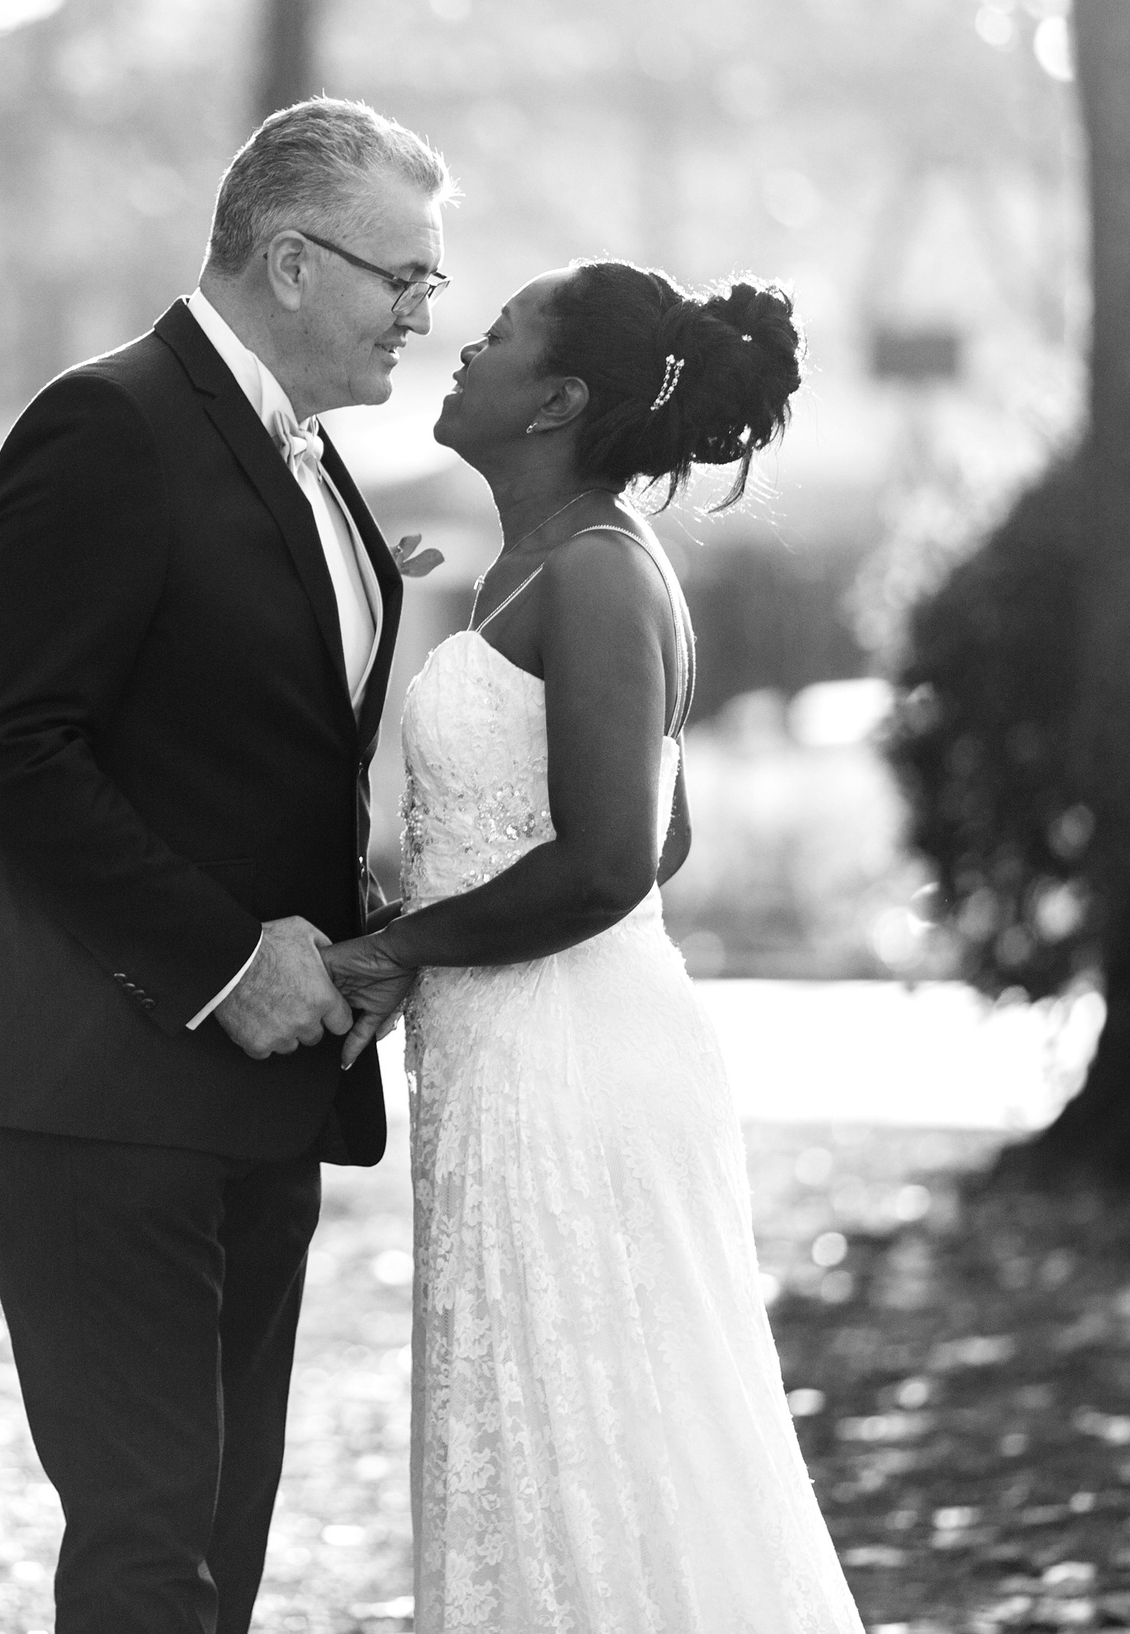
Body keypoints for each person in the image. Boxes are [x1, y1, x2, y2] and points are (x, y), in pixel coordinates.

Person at [0, 97, 453, 1634]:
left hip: (259, 1074)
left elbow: (252, 748)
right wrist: (227, 958)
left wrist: (361, 935)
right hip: (94, 1070)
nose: (424, 312)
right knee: (151, 1543)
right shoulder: (109, 426)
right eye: (402, 276)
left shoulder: (319, 466)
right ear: (288, 261)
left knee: (222, 1536)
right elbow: (10, 749)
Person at [322, 261, 867, 1631]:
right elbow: (655, 837)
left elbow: (618, 863)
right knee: (540, 1448)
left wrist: (403, 948)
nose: (465, 348)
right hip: (512, 1056)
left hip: (578, 1070)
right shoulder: (534, 567)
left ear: (556, 398)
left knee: (618, 1460)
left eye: (498, 334)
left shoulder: (599, 574)